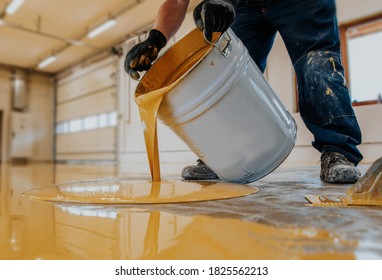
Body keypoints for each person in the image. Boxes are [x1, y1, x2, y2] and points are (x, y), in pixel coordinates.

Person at [124, 0, 363, 184]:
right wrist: (155, 39)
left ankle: (338, 150)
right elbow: (176, 2)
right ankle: (220, 158)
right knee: (219, 68)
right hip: (244, 6)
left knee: (316, 62)